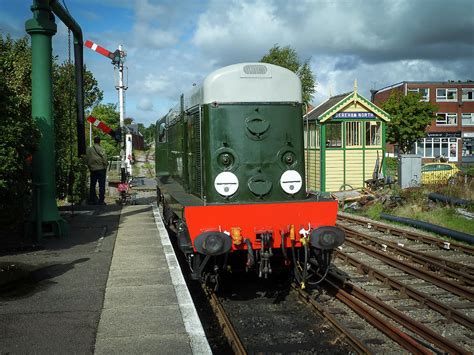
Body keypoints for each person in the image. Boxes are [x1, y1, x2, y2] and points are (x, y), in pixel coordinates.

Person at [86, 136, 108, 205]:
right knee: (101, 185)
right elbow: (104, 158)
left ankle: (92, 200)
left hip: (92, 169)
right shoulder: (101, 149)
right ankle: (101, 200)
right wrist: (105, 165)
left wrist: (89, 166)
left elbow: (87, 158)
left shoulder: (89, 150)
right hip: (101, 169)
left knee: (92, 185)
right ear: (99, 141)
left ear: (94, 141)